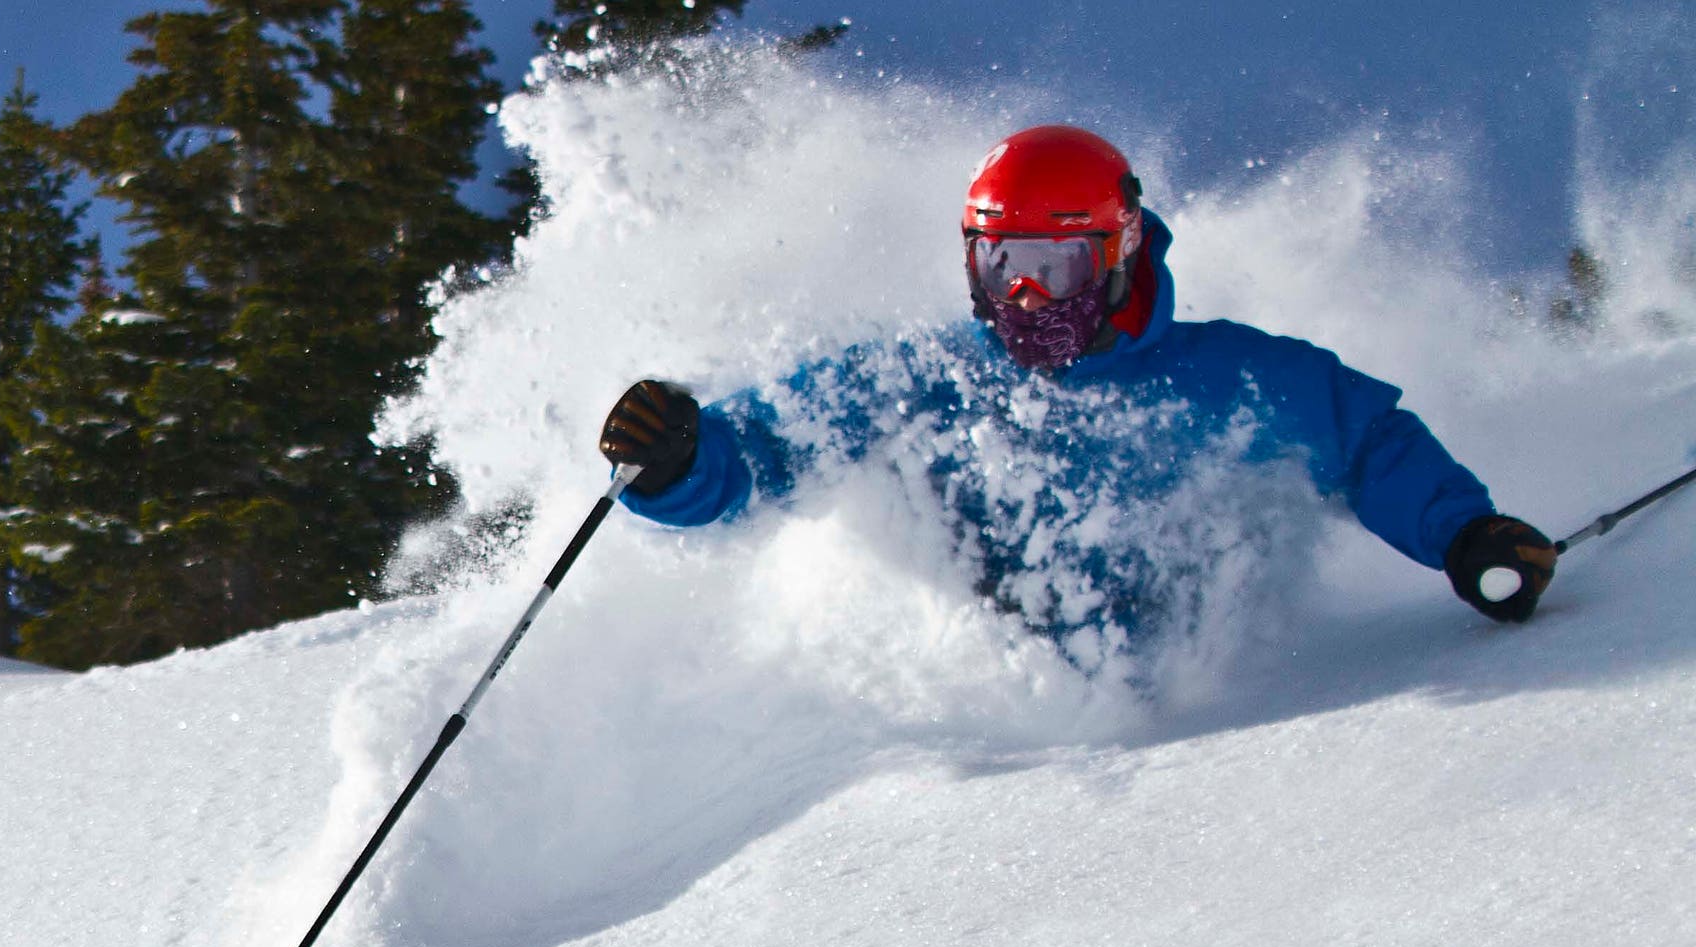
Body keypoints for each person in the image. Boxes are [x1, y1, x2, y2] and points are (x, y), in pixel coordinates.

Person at [597, 124, 1558, 636]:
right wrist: (680, 461)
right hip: (999, 723)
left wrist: (1464, 535)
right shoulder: (926, 376)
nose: (1021, 294)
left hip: (1200, 719)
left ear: (1120, 249)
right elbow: (768, 450)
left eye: (1052, 265)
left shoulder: (1227, 376)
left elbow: (1366, 440)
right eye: (997, 261)